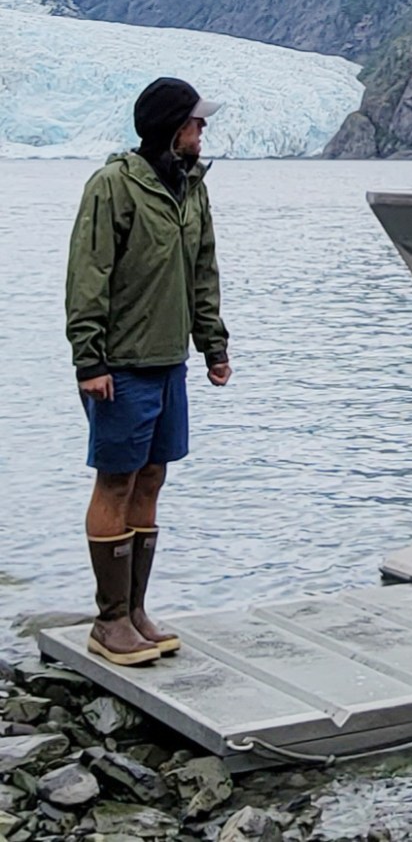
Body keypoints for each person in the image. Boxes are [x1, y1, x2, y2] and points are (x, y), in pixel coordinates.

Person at [66, 77, 233, 666]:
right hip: (120, 366)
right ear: (170, 127)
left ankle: (135, 611)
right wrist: (90, 360)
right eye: (195, 121)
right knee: (116, 480)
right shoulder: (113, 187)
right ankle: (108, 621)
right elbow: (88, 276)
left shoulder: (192, 190)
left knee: (153, 477)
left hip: (170, 363)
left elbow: (203, 273)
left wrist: (213, 346)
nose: (202, 130)